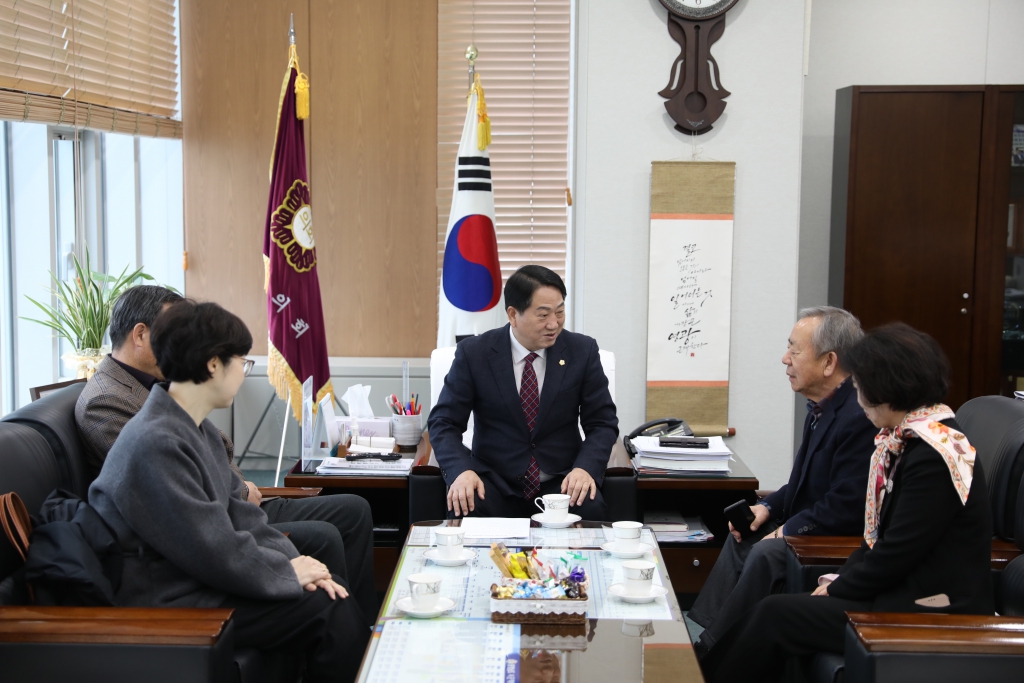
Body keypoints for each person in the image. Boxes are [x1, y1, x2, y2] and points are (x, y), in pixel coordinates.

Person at [89, 300, 369, 682]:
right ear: (213, 365)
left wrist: (302, 567)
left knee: (329, 591)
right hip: (169, 598)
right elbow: (210, 545)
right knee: (330, 610)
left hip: (197, 579)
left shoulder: (192, 426)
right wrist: (288, 573)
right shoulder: (155, 441)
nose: (243, 372)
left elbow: (245, 518)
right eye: (242, 361)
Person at [701, 323, 993, 683]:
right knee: (777, 612)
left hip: (932, 609)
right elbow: (876, 541)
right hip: (899, 593)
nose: (856, 397)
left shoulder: (935, 454)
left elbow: (897, 552)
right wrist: (839, 581)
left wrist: (838, 587)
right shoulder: (907, 441)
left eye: (859, 386)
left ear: (888, 387)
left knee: (777, 615)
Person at [689, 307, 877, 657]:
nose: (784, 359)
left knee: (767, 551)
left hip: (836, 538)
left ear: (828, 362)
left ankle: (716, 652)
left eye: (795, 350)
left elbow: (847, 505)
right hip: (814, 524)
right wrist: (767, 507)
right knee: (743, 530)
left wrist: (788, 528)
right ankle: (709, 637)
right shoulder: (823, 407)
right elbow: (802, 482)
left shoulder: (859, 417)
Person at [428, 265, 618, 520]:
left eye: (560, 312)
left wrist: (585, 469)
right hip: (493, 484)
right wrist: (461, 470)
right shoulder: (475, 354)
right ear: (513, 315)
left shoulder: (581, 352)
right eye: (543, 315)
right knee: (464, 508)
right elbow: (443, 423)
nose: (554, 323)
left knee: (591, 511)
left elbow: (603, 424)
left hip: (561, 485)